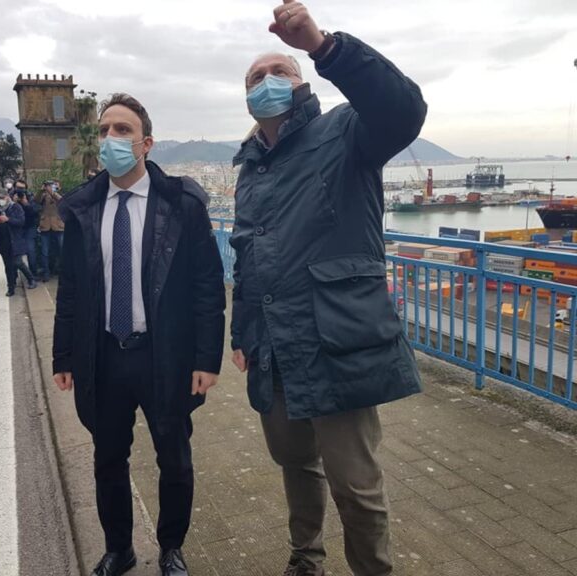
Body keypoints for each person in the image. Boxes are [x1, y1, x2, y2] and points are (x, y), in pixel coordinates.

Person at [229, 3, 427, 576]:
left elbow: (403, 110)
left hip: (337, 338)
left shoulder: (345, 131)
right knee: (296, 463)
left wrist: (322, 46)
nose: (266, 83)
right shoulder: (248, 170)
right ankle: (305, 558)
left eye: (280, 72)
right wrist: (243, 333)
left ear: (302, 83)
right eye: (254, 78)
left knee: (357, 487)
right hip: (275, 345)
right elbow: (247, 259)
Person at [52, 93, 226, 576]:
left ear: (146, 143)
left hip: (164, 355)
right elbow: (71, 289)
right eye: (105, 130)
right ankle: (119, 550)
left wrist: (206, 360)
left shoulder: (182, 204)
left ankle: (171, 548)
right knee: (108, 458)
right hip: (104, 354)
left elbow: (207, 287)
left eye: (123, 130)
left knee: (174, 456)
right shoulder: (84, 209)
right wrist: (63, 355)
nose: (111, 138)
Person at [0, 190, 35, 296]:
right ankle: (11, 287)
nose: (0, 200)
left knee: (18, 262)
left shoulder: (15, 207)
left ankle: (31, 279)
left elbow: (20, 222)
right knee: (8, 265)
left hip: (14, 239)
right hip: (3, 241)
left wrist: (8, 219)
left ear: (7, 197)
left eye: (2, 197)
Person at [35, 180, 64, 282]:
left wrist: (53, 192)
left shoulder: (60, 194)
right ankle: (46, 272)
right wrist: (41, 190)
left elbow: (62, 201)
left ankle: (62, 272)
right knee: (44, 252)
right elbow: (36, 201)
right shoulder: (43, 195)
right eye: (49, 185)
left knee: (62, 250)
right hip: (45, 226)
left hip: (58, 225)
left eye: (53, 185)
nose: (51, 187)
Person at [14, 179, 42, 280]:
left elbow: (36, 211)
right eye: (18, 188)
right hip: (16, 229)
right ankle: (14, 274)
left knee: (31, 250)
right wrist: (14, 203)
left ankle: (33, 273)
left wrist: (26, 204)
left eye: (22, 188)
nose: (20, 191)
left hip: (29, 227)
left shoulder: (30, 197)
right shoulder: (11, 196)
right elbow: (5, 212)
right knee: (15, 252)